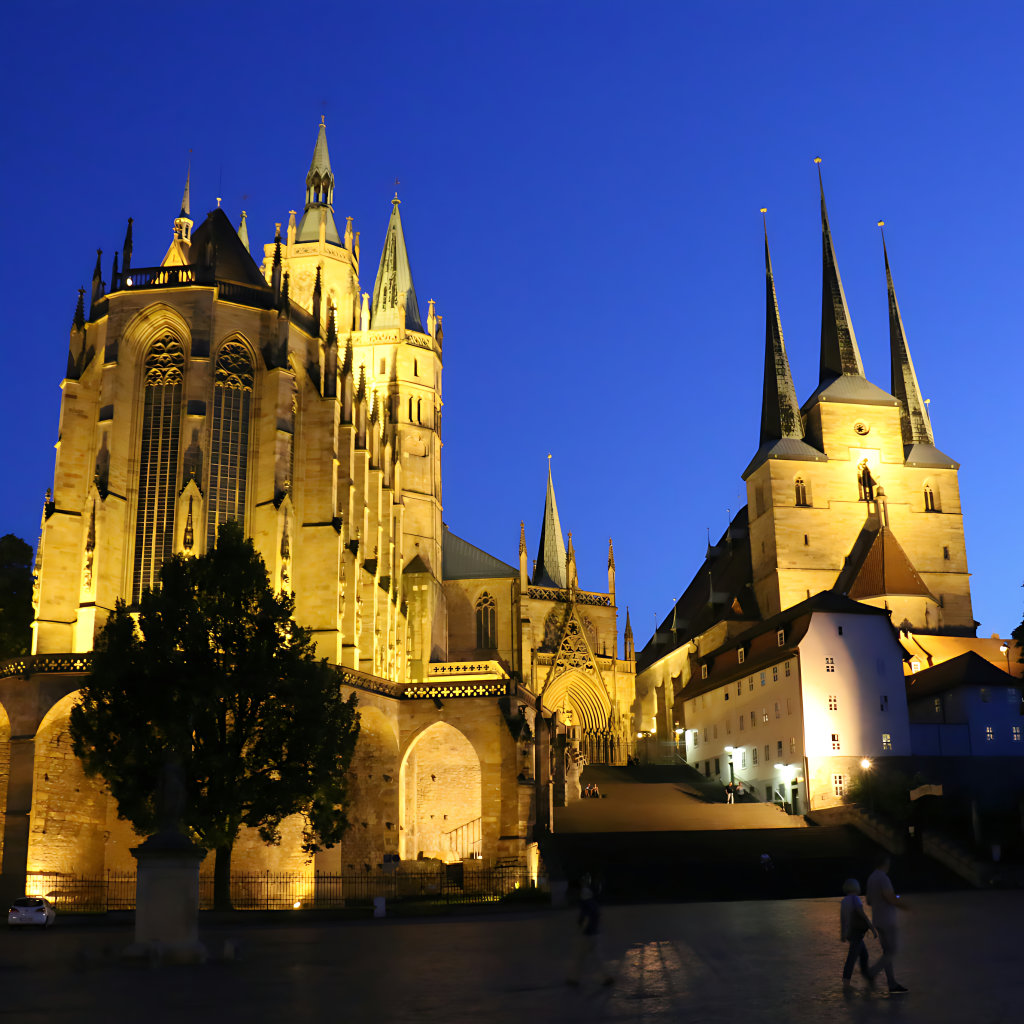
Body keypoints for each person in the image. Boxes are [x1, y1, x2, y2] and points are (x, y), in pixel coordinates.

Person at [866, 852, 910, 994]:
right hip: (888, 920)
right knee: (892, 951)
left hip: (877, 919)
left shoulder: (871, 878)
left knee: (887, 952)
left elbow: (868, 901)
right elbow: (890, 898)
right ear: (885, 863)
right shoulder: (883, 878)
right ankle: (872, 972)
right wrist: (905, 906)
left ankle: (891, 983)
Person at [567, 873, 614, 988]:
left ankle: (575, 979)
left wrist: (582, 928)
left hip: (588, 934)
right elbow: (595, 915)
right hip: (593, 933)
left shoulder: (585, 902)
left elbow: (586, 917)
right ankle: (606, 977)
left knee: (581, 957)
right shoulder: (590, 900)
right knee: (594, 956)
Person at [839, 878, 877, 991]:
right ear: (856, 887)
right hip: (856, 932)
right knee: (852, 957)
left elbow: (843, 919)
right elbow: (862, 914)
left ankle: (867, 977)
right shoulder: (855, 899)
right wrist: (872, 928)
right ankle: (846, 983)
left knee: (864, 955)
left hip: (850, 933)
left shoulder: (844, 901)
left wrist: (843, 934)